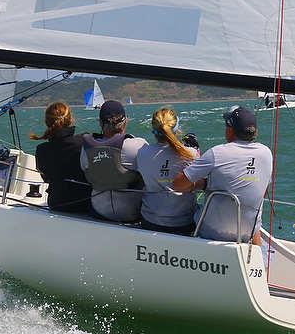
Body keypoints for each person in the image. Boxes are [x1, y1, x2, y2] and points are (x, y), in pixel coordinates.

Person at [171, 105, 272, 243]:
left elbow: (177, 185)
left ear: (230, 129)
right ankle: (257, 253)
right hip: (247, 232)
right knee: (253, 220)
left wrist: (203, 184)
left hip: (213, 233)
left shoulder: (217, 153)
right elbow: (263, 192)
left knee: (190, 210)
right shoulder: (266, 152)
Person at [79, 100, 147, 222]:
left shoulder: (86, 148)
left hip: (98, 211)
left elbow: (85, 169)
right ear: (126, 121)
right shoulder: (137, 145)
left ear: (100, 123)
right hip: (132, 213)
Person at [136, 107, 199, 234]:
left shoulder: (142, 153)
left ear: (153, 130)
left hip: (150, 220)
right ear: (176, 129)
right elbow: (197, 184)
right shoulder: (191, 154)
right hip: (183, 222)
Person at [32, 102, 92, 213]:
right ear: (70, 120)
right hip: (86, 204)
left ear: (47, 122)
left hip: (57, 204)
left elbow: (46, 178)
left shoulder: (41, 150)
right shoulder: (85, 141)